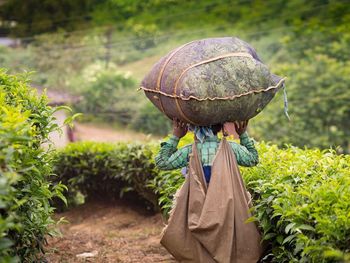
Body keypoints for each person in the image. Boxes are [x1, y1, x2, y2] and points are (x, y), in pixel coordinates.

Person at [155, 119, 259, 184]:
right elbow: (253, 159)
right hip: (225, 205)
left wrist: (176, 136)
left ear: (193, 128)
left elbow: (162, 163)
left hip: (198, 208)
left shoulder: (189, 151)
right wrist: (243, 134)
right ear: (220, 128)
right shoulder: (231, 148)